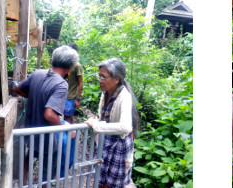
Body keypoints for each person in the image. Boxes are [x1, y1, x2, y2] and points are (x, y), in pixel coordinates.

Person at [13, 45, 77, 184]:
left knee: (30, 155)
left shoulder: (37, 74)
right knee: (48, 171)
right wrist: (67, 128)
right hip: (48, 137)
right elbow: (49, 114)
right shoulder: (61, 84)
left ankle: (22, 183)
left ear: (53, 60)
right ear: (71, 66)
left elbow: (18, 88)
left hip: (31, 129)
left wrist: (35, 96)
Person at [84, 58, 139, 188]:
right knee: (100, 178)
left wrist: (96, 125)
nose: (100, 80)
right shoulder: (106, 93)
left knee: (113, 183)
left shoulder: (124, 96)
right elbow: (104, 117)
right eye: (99, 76)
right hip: (106, 139)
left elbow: (125, 127)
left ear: (116, 79)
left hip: (119, 144)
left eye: (103, 77)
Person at [64, 43, 83, 124]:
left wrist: (78, 99)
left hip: (71, 97)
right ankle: (74, 135)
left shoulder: (77, 66)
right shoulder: (66, 65)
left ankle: (67, 136)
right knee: (69, 117)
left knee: (66, 119)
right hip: (65, 96)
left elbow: (80, 83)